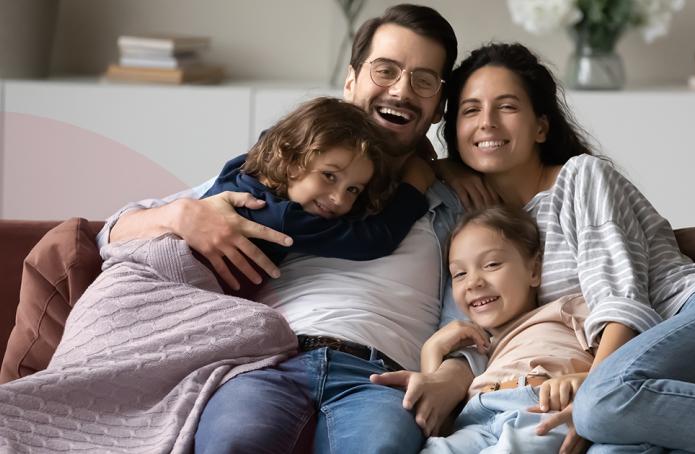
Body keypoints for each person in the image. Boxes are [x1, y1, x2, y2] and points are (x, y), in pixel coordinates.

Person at [97, 4, 478, 453]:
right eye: (385, 70)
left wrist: (455, 374)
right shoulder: (285, 173)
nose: (401, 90)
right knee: (231, 442)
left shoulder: (449, 203)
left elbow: (479, 308)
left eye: (423, 80)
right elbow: (112, 232)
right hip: (269, 361)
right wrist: (180, 215)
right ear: (351, 80)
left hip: (379, 375)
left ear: (438, 108)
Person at [439, 41, 695, 453]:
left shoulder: (582, 177)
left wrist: (592, 386)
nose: (487, 122)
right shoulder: (480, 228)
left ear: (541, 126)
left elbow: (622, 300)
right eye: (470, 110)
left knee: (599, 406)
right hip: (642, 386)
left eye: (506, 107)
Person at [419, 205, 594, 453]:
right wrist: (432, 347)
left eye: (491, 264)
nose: (473, 282)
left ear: (533, 270)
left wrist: (585, 382)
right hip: (473, 421)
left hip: (537, 408)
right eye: (459, 274)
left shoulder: (565, 309)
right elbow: (438, 415)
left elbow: (624, 353)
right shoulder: (479, 348)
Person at [200, 96, 433, 268]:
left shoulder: (241, 168)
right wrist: (414, 184)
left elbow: (272, 137)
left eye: (353, 189)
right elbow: (373, 240)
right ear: (290, 159)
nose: (339, 198)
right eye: (329, 176)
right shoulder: (281, 218)